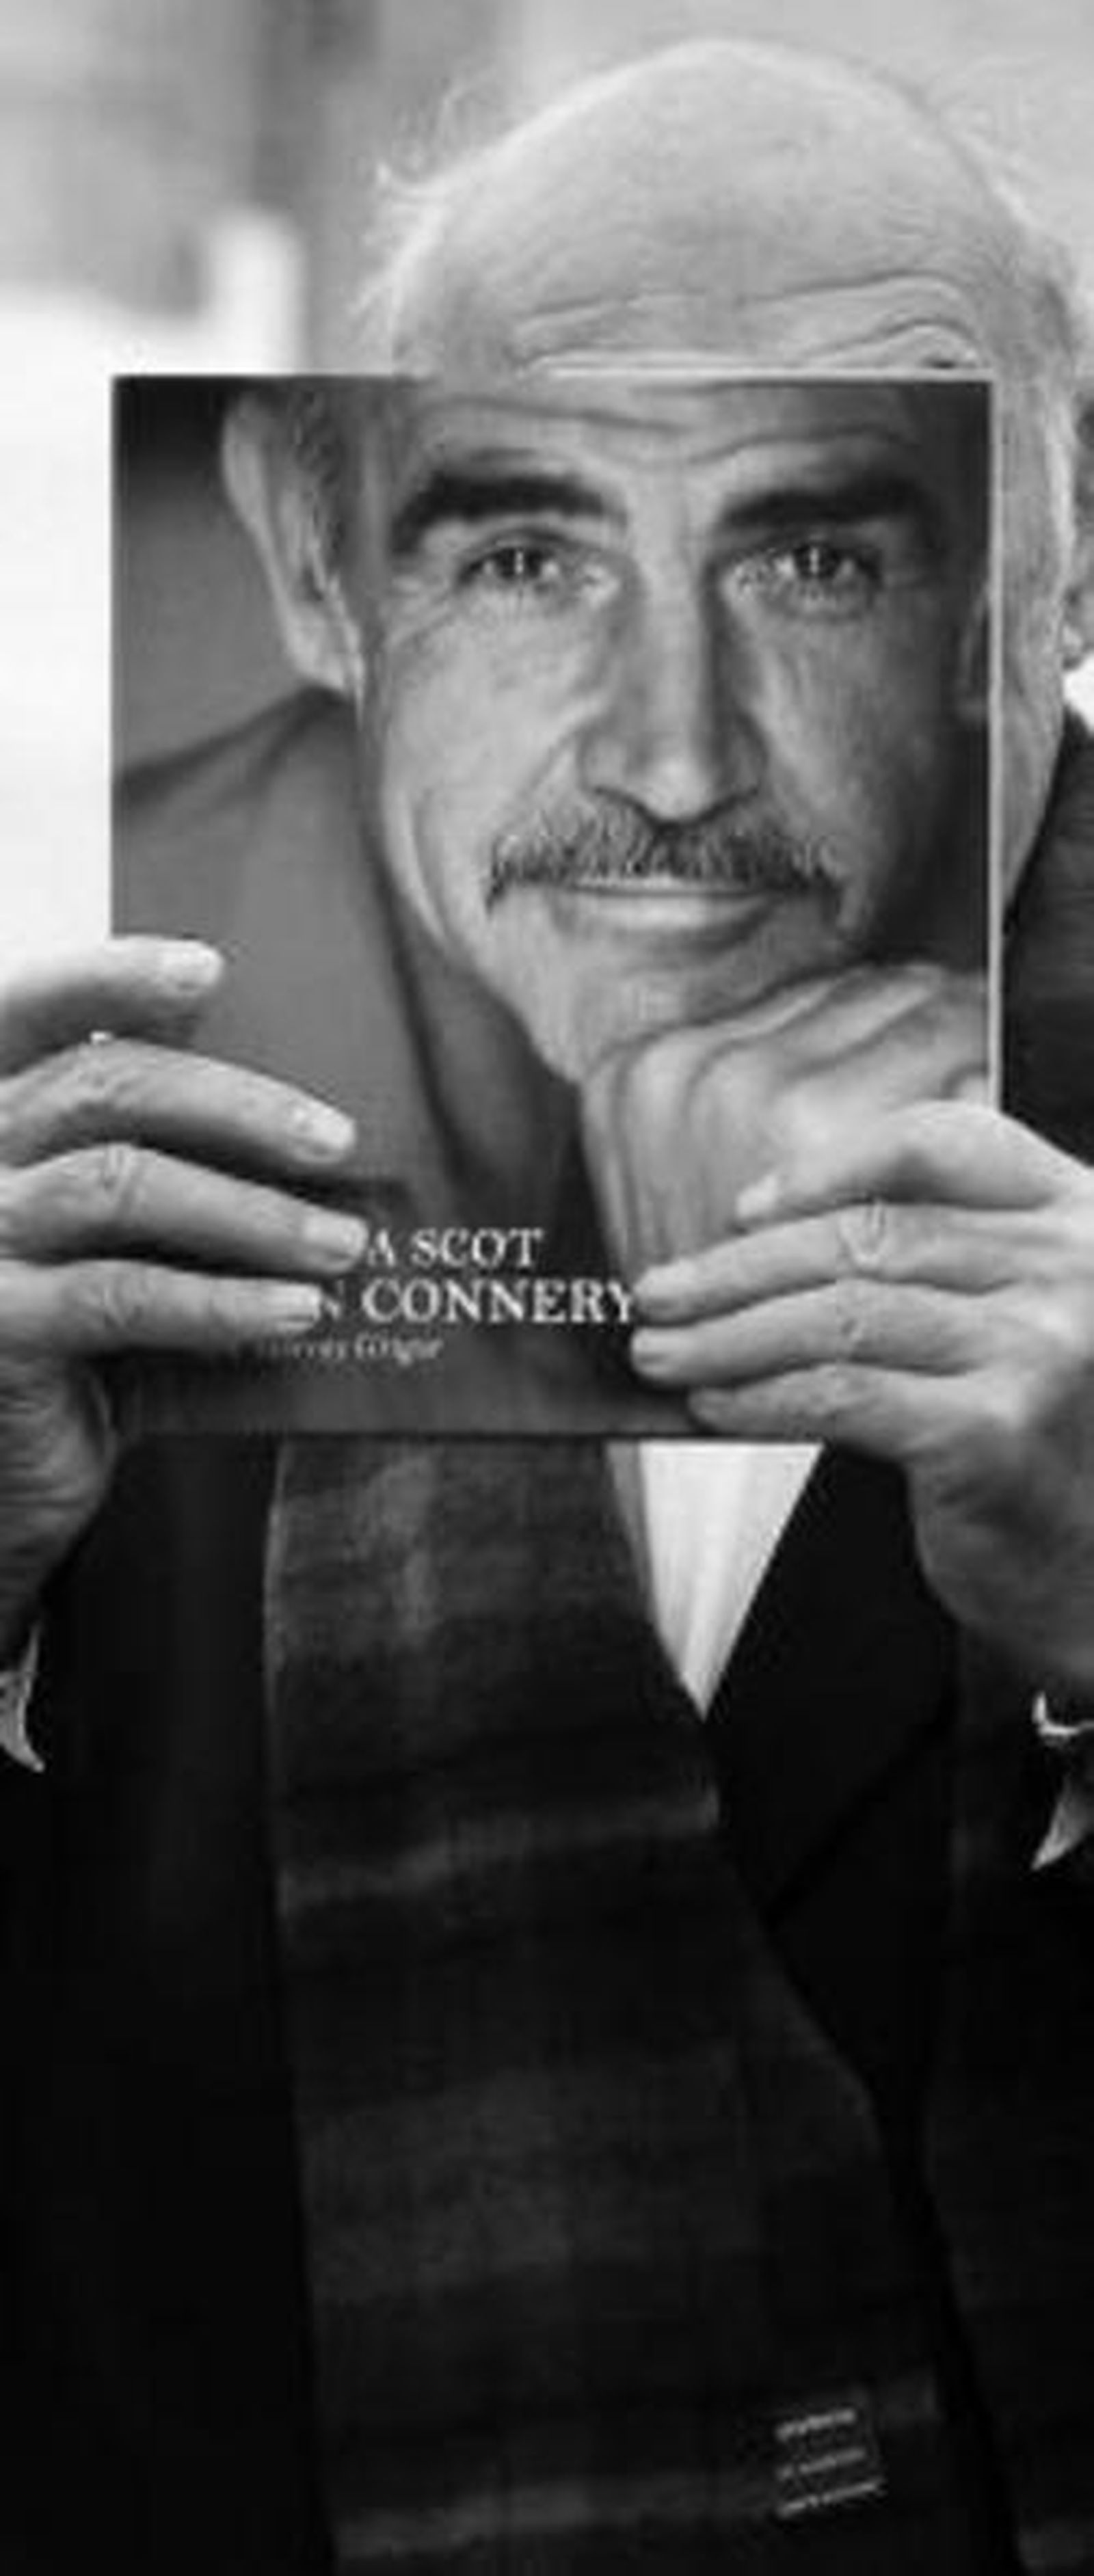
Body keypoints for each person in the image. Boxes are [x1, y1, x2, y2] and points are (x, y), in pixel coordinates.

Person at [1, 38, 1093, 2575]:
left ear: (1065, 550)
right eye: (523, 553)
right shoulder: (140, 1190)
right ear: (333, 578)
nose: (678, 762)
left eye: (832, 551)